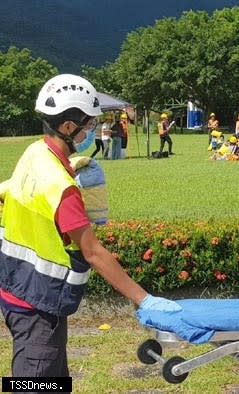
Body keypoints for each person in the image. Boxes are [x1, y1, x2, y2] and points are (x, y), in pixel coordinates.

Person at [0, 74, 180, 383]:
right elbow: (93, 252)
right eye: (89, 124)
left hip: (18, 288)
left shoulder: (35, 153)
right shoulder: (62, 187)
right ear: (68, 127)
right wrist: (145, 299)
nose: (92, 130)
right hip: (38, 304)